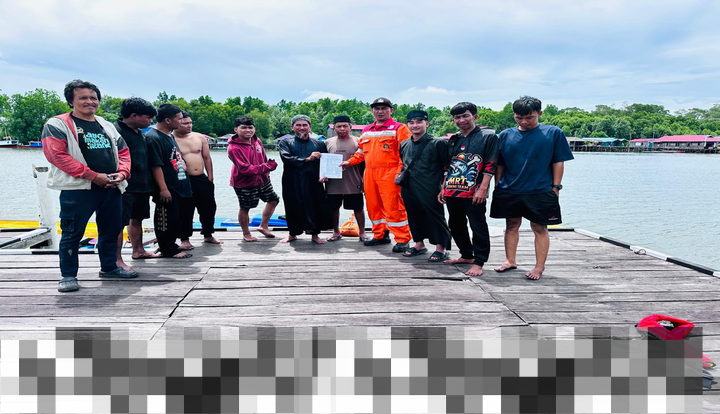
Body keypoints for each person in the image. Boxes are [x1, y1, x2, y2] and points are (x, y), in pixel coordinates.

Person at [41, 79, 137, 292]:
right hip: (78, 189)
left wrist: (123, 173)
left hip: (111, 186)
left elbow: (123, 151)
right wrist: (92, 176)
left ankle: (109, 267)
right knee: (72, 233)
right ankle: (68, 276)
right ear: (71, 101)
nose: (89, 101)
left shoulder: (106, 125)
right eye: (83, 97)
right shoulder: (57, 124)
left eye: (93, 98)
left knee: (111, 230)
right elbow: (57, 156)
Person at [490, 96, 574, 280]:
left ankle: (539, 267)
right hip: (509, 189)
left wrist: (556, 187)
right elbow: (500, 164)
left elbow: (558, 161)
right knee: (511, 224)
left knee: (539, 227)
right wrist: (498, 185)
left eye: (529, 117)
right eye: (519, 117)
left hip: (540, 189)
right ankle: (510, 260)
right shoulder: (505, 135)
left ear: (539, 114)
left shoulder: (553, 133)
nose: (524, 121)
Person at [341, 97, 412, 253]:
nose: (380, 111)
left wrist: (399, 172)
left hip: (390, 172)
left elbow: (406, 154)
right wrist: (349, 162)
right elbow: (361, 153)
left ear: (391, 110)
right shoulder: (366, 130)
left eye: (384, 108)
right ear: (372, 111)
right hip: (370, 173)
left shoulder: (400, 128)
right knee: (373, 206)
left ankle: (402, 239)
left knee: (394, 206)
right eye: (376, 109)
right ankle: (380, 235)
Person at [439, 102, 499, 276]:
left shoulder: (488, 137)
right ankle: (466, 255)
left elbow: (491, 165)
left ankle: (479, 262)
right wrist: (443, 187)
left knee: (477, 225)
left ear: (475, 117)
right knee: (455, 224)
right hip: (453, 189)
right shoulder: (454, 139)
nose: (461, 120)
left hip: (475, 191)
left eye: (465, 116)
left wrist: (483, 189)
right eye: (457, 117)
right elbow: (448, 166)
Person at [113, 97, 160, 271]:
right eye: (148, 117)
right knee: (118, 223)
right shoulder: (116, 132)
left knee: (137, 218)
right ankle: (116, 260)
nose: (150, 121)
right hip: (124, 185)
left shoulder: (140, 132)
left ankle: (138, 250)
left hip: (142, 184)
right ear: (134, 116)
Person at [398, 110, 451, 262]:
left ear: (426, 123)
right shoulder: (404, 144)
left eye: (419, 122)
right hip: (409, 186)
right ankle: (419, 244)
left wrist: (443, 188)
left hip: (430, 186)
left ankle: (441, 248)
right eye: (411, 122)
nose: (415, 125)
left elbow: (448, 168)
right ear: (407, 125)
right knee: (413, 215)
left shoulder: (438, 143)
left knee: (436, 216)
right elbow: (404, 163)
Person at [146, 104, 194, 258]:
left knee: (176, 218)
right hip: (167, 186)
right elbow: (156, 166)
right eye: (179, 119)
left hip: (179, 184)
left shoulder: (169, 135)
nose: (181, 122)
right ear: (167, 120)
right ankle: (167, 249)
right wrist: (163, 189)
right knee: (166, 218)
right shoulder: (153, 138)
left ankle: (172, 245)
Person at [278, 115, 331, 243]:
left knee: (315, 205)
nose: (302, 128)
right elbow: (286, 158)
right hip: (292, 179)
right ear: (292, 127)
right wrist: (308, 159)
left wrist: (326, 174)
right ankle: (292, 233)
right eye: (298, 125)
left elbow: (326, 162)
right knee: (292, 205)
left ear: (310, 127)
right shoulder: (285, 142)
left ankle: (315, 235)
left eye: (304, 125)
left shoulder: (319, 143)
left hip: (313, 180)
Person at [227, 116, 280, 242]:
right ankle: (246, 233)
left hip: (263, 179)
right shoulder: (233, 148)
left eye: (250, 127)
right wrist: (267, 167)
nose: (248, 130)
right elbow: (244, 169)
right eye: (243, 127)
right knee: (245, 207)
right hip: (244, 182)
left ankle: (263, 226)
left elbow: (264, 158)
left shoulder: (257, 140)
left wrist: (267, 170)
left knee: (273, 199)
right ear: (236, 129)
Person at [175, 111, 222, 245]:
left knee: (208, 208)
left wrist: (210, 178)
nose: (189, 125)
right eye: (185, 123)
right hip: (184, 179)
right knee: (186, 210)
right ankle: (185, 239)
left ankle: (208, 234)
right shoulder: (171, 139)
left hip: (201, 178)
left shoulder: (199, 137)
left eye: (190, 123)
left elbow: (207, 158)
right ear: (177, 123)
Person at [321, 115, 368, 242]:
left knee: (358, 208)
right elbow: (323, 162)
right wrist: (323, 175)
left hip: (354, 181)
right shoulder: (327, 142)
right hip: (333, 183)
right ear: (334, 128)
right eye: (339, 126)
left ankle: (362, 232)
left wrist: (364, 181)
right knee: (333, 208)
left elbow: (364, 163)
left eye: (345, 126)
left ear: (350, 127)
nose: (342, 129)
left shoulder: (358, 141)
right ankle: (336, 232)